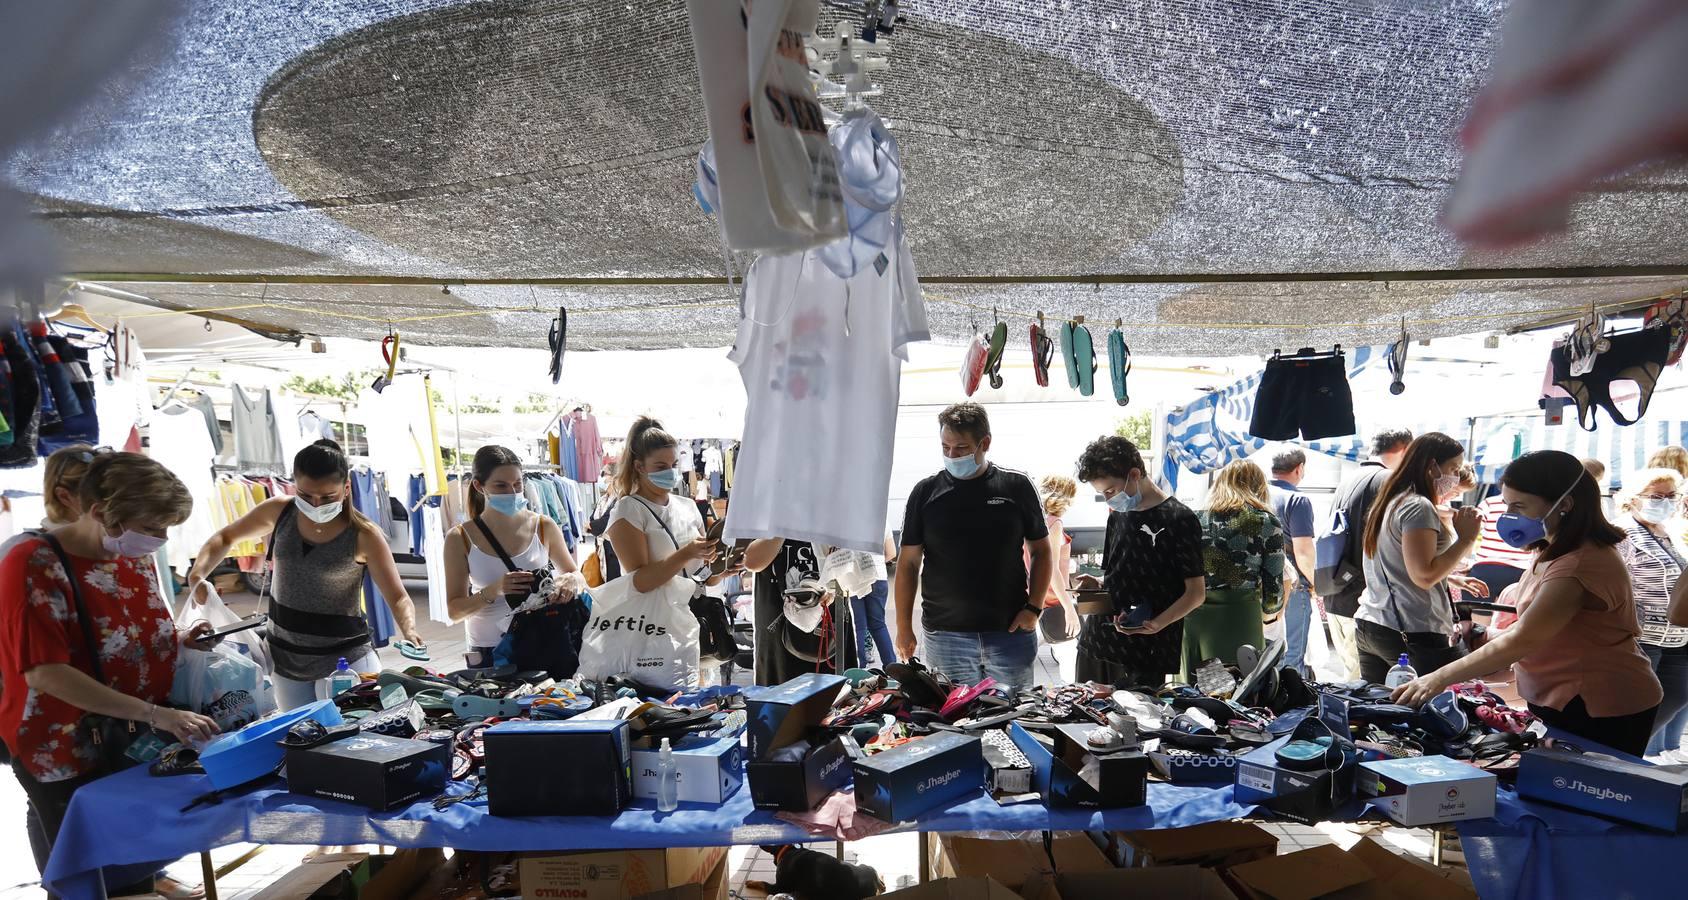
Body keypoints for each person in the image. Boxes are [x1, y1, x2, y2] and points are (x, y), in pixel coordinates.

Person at [0, 452, 220, 899]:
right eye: (153, 527)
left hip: (131, 736)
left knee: (132, 857)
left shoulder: (128, 554)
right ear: (101, 514)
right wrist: (156, 714)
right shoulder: (33, 562)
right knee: (84, 870)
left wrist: (179, 639)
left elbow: (121, 630)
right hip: (61, 745)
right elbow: (46, 672)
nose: (159, 538)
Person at [1394, 451, 1664, 757]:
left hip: (1602, 704)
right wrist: (1484, 635)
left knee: (1586, 794)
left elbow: (1523, 639)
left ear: (1564, 504)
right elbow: (1544, 630)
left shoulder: (1580, 563)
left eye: (1519, 506)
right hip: (1558, 697)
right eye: (1508, 504)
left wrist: (1438, 677)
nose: (1509, 515)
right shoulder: (1550, 550)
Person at [188, 439, 425, 711]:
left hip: (346, 661)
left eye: (327, 497)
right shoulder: (279, 511)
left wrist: (409, 629)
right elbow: (225, 537)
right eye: (306, 495)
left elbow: (397, 596)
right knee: (301, 741)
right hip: (285, 660)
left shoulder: (364, 534)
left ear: (346, 488)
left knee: (354, 741)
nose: (315, 504)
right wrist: (198, 575)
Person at [894, 403, 1052, 690]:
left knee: (1018, 718)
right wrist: (904, 627)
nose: (952, 455)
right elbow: (908, 563)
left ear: (985, 443)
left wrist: (1034, 608)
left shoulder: (1016, 486)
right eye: (945, 447)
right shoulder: (925, 492)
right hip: (945, 636)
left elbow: (1042, 550)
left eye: (962, 448)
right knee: (956, 726)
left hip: (1010, 632)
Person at [1070, 435, 1205, 687]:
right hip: (1095, 640)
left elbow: (1196, 594)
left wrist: (1157, 624)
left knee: (1137, 722)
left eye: (1110, 490)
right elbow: (1117, 574)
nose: (1109, 499)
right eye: (1102, 493)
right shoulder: (1118, 516)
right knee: (1083, 718)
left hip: (1145, 650)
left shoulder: (1179, 519)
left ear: (1134, 474)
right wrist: (1097, 584)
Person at [1356, 433, 1485, 683]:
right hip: (1410, 629)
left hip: (1373, 624)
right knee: (1433, 710)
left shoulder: (1392, 501)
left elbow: (1400, 564)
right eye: (1453, 469)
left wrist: (1450, 579)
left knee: (1381, 711)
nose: (1456, 477)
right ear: (1432, 466)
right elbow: (1424, 575)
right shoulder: (1419, 506)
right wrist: (1466, 539)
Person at [443, 445, 583, 669]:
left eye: (517, 484)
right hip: (490, 650)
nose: (512, 492)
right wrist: (494, 589)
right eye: (501, 485)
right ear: (479, 486)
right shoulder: (460, 537)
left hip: (542, 641)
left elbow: (575, 573)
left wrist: (570, 581)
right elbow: (455, 611)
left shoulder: (543, 526)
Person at [605, 418, 721, 684]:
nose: (669, 473)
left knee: (695, 705)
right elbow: (640, 581)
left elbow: (704, 575)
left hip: (690, 624)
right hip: (652, 629)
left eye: (672, 465)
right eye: (660, 466)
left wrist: (724, 565)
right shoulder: (628, 509)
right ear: (638, 466)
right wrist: (688, 552)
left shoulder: (687, 506)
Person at [1321, 429, 1412, 682]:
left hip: (1336, 592)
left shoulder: (1349, 479)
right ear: (1405, 449)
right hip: (1362, 600)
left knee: (1352, 678)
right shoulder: (1388, 481)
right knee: (1364, 689)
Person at [1614, 468, 1688, 760]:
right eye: (1656, 496)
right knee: (1637, 705)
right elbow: (1613, 583)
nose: (1665, 502)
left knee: (1678, 694)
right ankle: (1619, 756)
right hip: (1642, 637)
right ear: (1633, 498)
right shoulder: (1621, 533)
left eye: (1671, 496)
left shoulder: (1669, 532)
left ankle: (1629, 752)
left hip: (1678, 636)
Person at [1187, 460, 1284, 679]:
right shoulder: (1265, 522)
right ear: (1259, 487)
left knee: (1193, 695)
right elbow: (1273, 586)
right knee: (1236, 694)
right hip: (1238, 617)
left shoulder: (1193, 519)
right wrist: (1269, 616)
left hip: (1192, 615)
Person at [1267, 449, 1317, 675]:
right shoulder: (1297, 500)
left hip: (1261, 584)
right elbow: (1303, 552)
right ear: (1299, 469)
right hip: (1293, 586)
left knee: (1265, 657)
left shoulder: (1258, 493)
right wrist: (1317, 584)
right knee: (1290, 658)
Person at [1031, 475, 1079, 642]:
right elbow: (1051, 569)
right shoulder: (1054, 523)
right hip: (1053, 600)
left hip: (1034, 598)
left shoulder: (1033, 521)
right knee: (1069, 657)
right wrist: (1069, 608)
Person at [849, 534, 898, 667]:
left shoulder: (846, 516)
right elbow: (892, 552)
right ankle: (892, 668)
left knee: (858, 626)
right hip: (877, 575)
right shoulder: (882, 518)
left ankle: (860, 670)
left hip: (853, 578)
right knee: (878, 624)